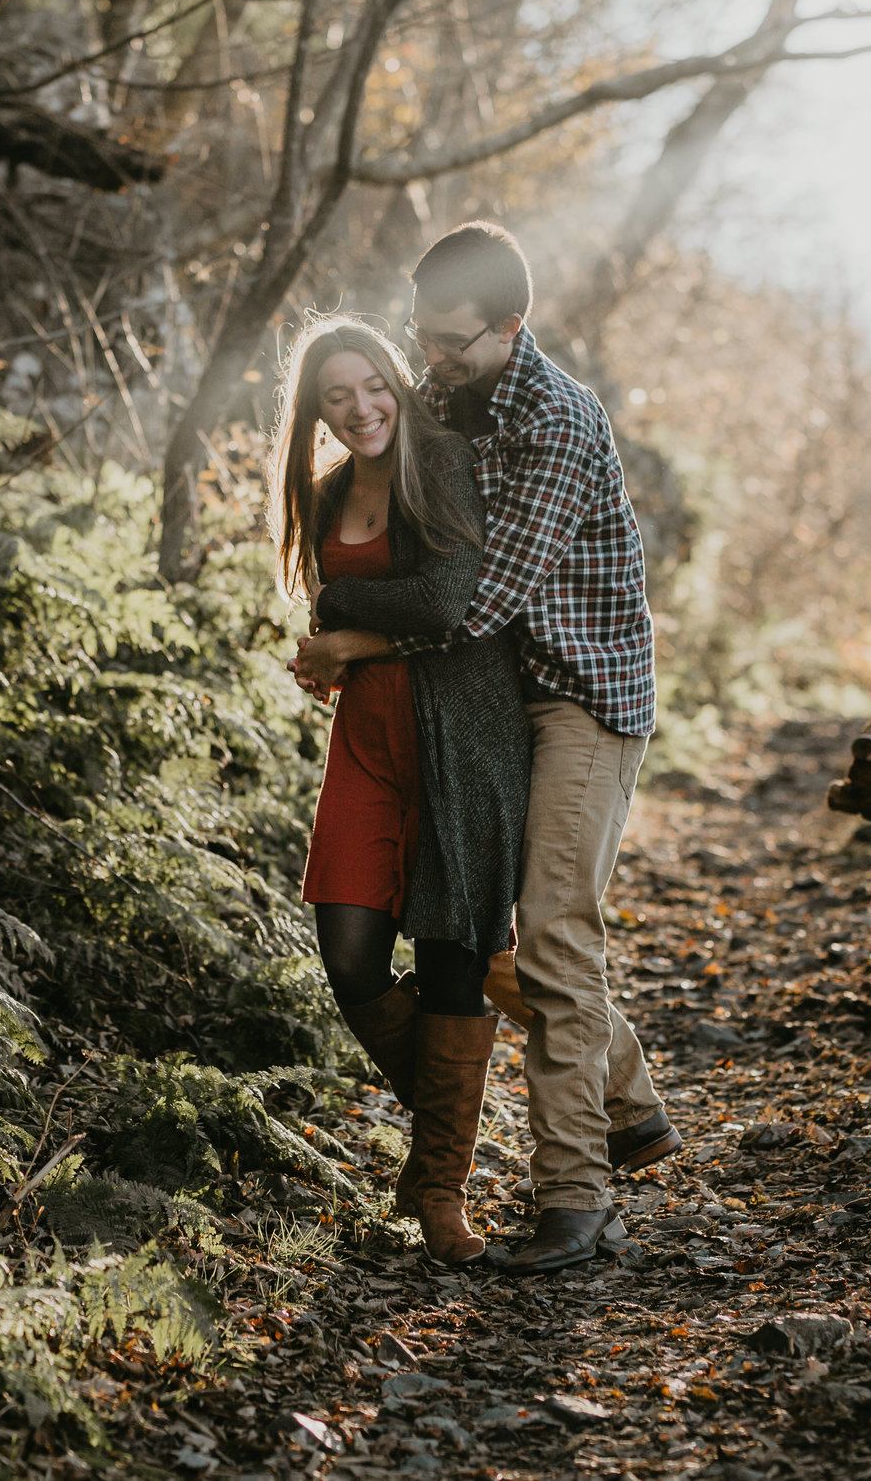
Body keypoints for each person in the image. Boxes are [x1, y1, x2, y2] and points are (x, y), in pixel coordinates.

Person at [294, 224, 678, 1274]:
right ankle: (629, 1102)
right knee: (507, 937)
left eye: (452, 339)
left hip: (583, 695)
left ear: (511, 327)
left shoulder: (555, 419)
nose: (430, 356)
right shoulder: (441, 394)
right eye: (421, 333)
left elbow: (484, 598)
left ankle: (574, 1195)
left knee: (549, 930)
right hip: (495, 701)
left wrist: (350, 632)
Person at [271, 316, 531, 1265]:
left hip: (464, 737)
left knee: (456, 955)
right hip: (369, 743)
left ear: (395, 380)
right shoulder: (329, 491)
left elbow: (448, 600)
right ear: (316, 411)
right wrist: (333, 649)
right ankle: (444, 1140)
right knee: (347, 953)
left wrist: (344, 616)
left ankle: (441, 1196)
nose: (360, 408)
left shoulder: (444, 463)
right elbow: (358, 615)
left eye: (372, 384)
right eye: (335, 396)